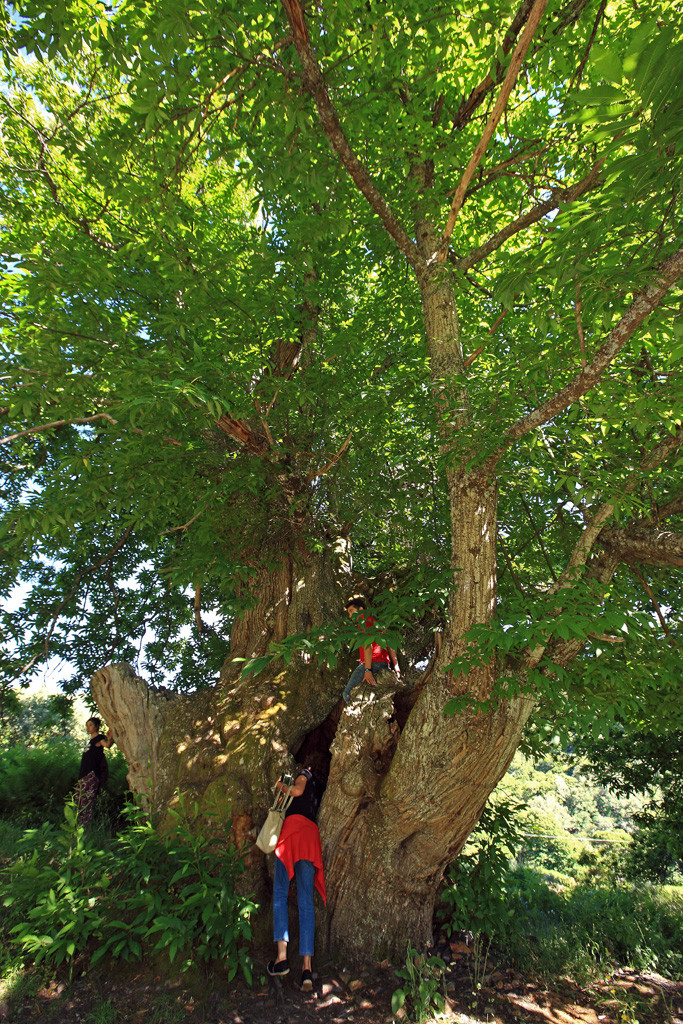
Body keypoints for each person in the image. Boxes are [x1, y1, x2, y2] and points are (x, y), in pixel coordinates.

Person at [267, 752, 328, 992]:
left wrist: (280, 785)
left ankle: (282, 958)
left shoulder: (306, 774)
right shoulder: (321, 788)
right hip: (310, 838)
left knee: (280, 892)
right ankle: (307, 969)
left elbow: (297, 791)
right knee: (306, 902)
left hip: (293, 834)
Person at [342, 597, 400, 704]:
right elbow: (390, 644)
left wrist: (367, 670)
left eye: (351, 611)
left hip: (372, 663)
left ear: (360, 609)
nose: (350, 616)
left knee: (347, 694)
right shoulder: (377, 623)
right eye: (348, 613)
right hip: (384, 664)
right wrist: (396, 667)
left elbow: (367, 646)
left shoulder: (364, 622)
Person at [74, 717, 113, 826]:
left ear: (96, 726)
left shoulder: (99, 738)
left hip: (91, 774)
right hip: (83, 774)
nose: (88, 727)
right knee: (79, 799)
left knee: (87, 800)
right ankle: (78, 825)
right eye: (87, 725)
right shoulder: (90, 741)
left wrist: (109, 738)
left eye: (90, 725)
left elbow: (107, 745)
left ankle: (86, 826)